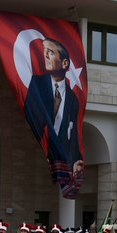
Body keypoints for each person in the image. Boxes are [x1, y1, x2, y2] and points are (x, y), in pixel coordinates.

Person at [24, 38, 84, 184]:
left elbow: (74, 133)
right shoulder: (37, 84)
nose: (44, 55)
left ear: (64, 63)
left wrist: (77, 159)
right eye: (45, 51)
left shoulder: (72, 99)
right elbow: (32, 117)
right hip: (42, 151)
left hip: (61, 157)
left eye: (50, 52)